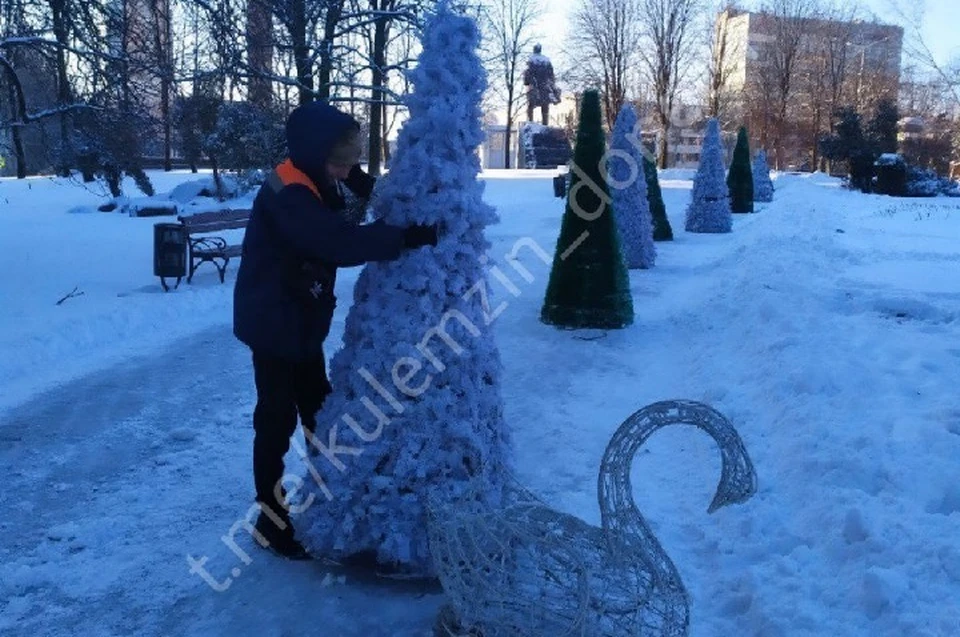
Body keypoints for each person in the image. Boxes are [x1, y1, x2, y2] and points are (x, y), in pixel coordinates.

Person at [233, 101, 438, 559]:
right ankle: (269, 519)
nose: (345, 171)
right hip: (274, 322)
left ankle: (331, 490)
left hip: (297, 318)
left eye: (349, 163)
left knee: (320, 409)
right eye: (339, 163)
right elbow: (337, 241)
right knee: (277, 418)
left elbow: (339, 201)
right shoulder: (290, 191)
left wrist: (366, 181)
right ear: (313, 153)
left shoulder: (310, 175)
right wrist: (405, 237)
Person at [523, 44, 561, 125]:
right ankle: (545, 124)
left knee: (530, 106)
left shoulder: (531, 59)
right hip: (545, 88)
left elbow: (528, 73)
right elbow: (551, 75)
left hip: (534, 87)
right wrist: (552, 85)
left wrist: (526, 81)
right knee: (545, 107)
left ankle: (530, 123)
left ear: (534, 50)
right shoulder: (546, 60)